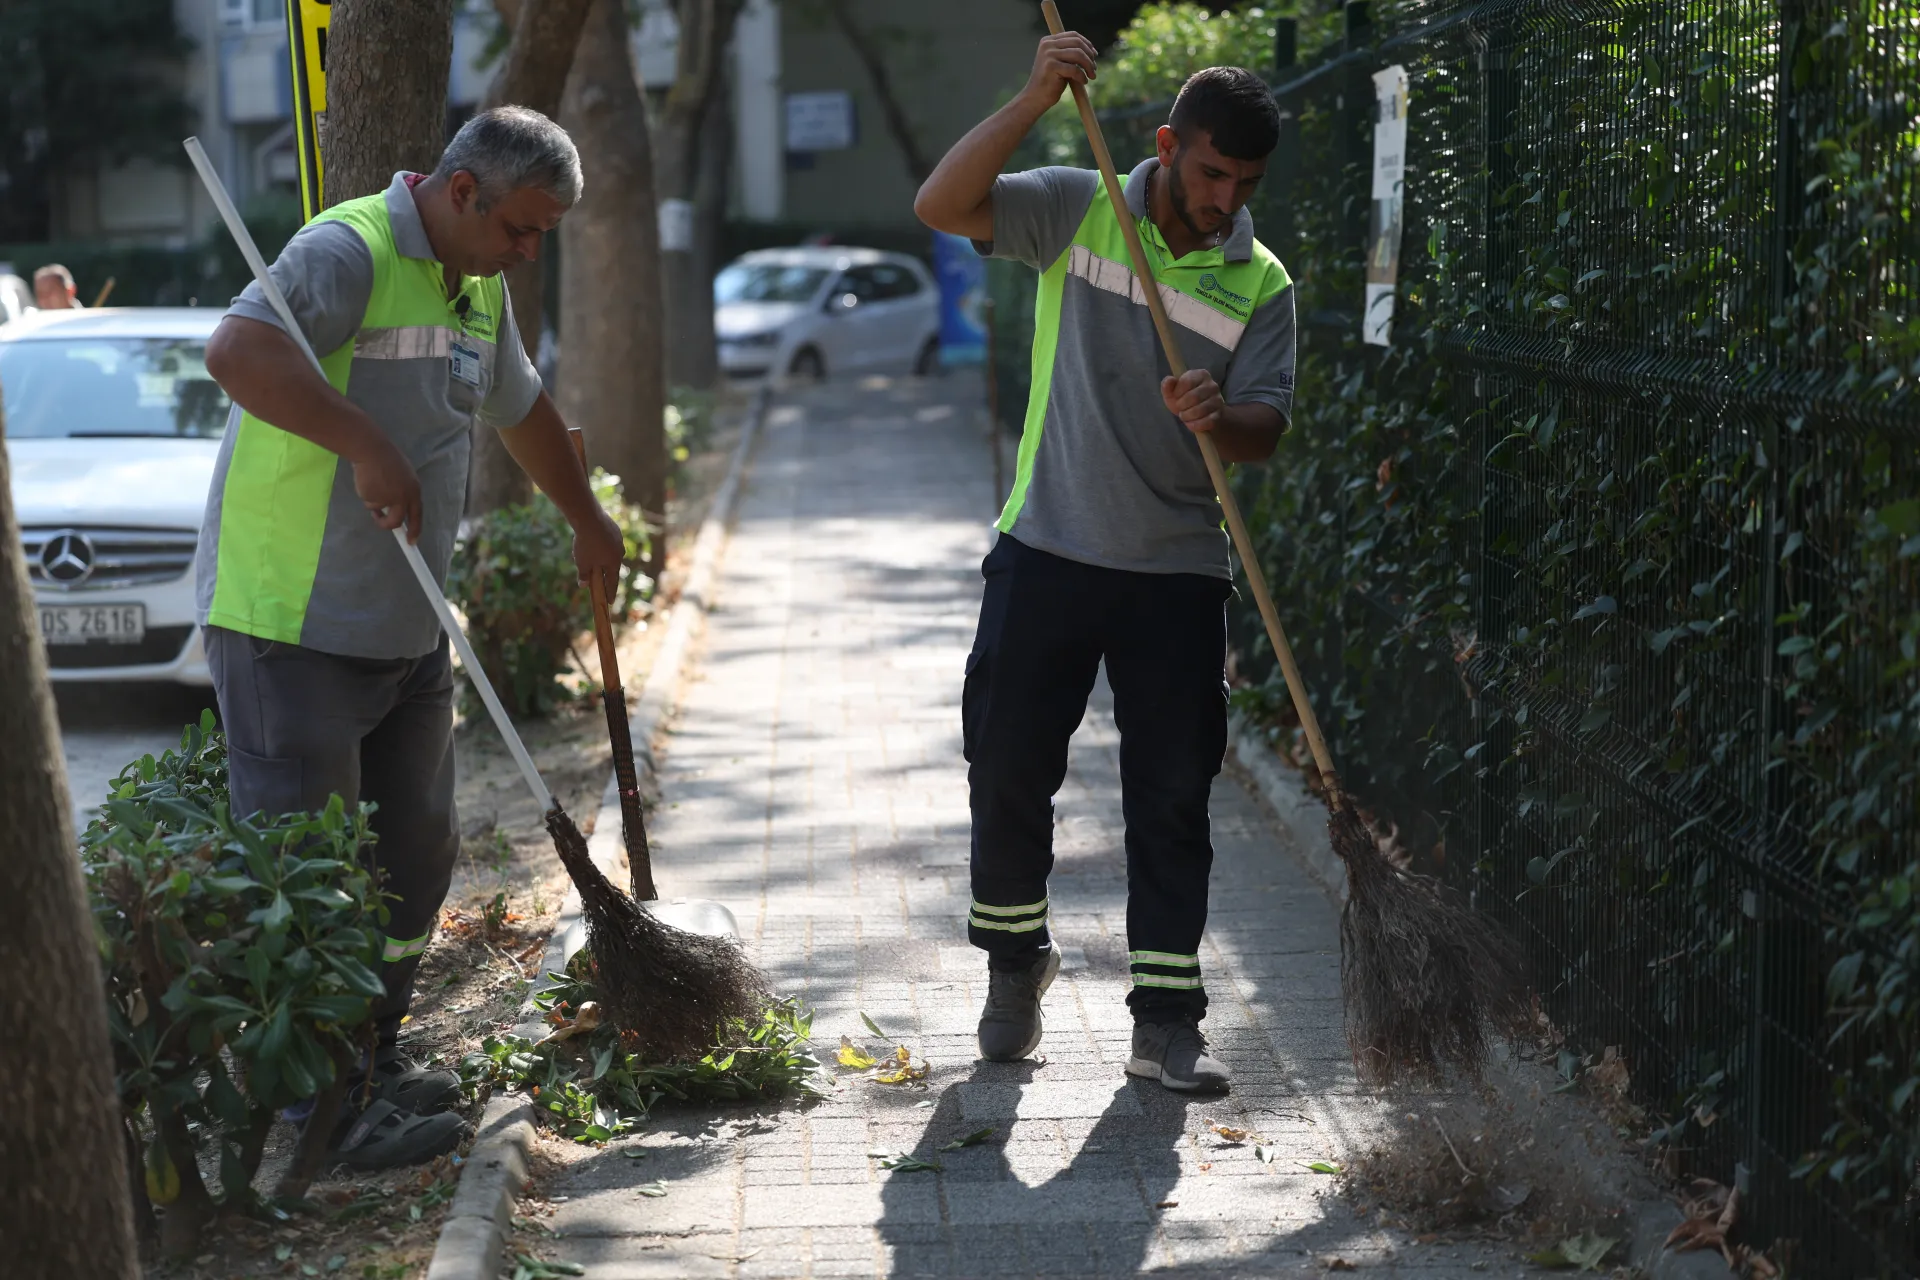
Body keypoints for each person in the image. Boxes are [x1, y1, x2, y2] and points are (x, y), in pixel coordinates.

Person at [198, 106, 625, 1166]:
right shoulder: (349, 249)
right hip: (290, 620)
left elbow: (521, 410)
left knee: (413, 859)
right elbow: (237, 352)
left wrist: (587, 515)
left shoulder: (479, 284)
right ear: (463, 189)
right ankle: (313, 1114)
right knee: (308, 874)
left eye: (544, 238)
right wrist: (365, 443)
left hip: (408, 621)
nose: (529, 253)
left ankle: (366, 1061)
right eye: (521, 229)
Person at [914, 34, 1294, 1093]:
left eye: (1245, 183)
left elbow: (1269, 426)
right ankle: (1012, 959)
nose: (1224, 199)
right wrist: (1035, 92)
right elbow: (941, 206)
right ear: (1169, 145)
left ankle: (1166, 1020)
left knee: (1173, 795)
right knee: (1006, 767)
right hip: (1047, 544)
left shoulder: (1258, 280)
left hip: (1177, 570)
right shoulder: (1080, 208)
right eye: (1212, 172)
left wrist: (1227, 416)